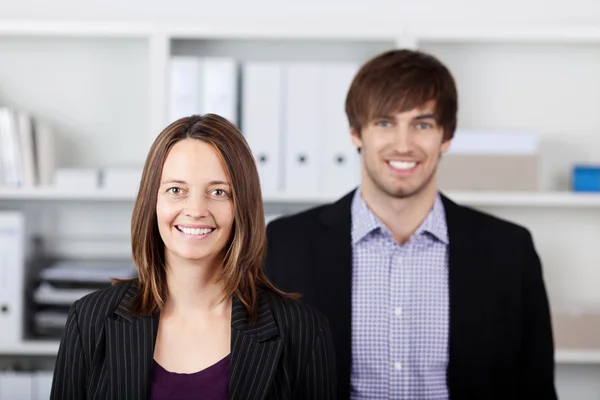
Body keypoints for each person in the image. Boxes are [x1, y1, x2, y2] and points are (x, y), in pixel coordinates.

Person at [264, 49, 557, 400]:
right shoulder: (286, 244)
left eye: (422, 124)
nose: (403, 145)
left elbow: (535, 389)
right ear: (357, 134)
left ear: (446, 137)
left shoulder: (510, 250)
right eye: (385, 123)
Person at [50, 114, 337, 399]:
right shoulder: (88, 320)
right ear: (152, 202)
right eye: (176, 190)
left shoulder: (303, 332)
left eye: (218, 192)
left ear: (242, 207)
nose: (196, 209)